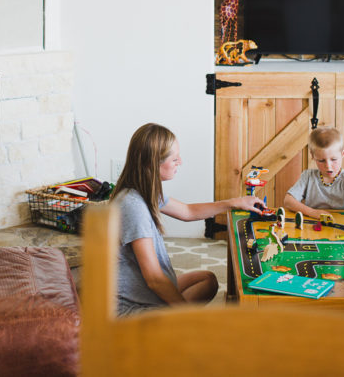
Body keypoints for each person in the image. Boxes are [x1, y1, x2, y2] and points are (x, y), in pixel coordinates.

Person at [111, 122, 264, 316]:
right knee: (189, 314)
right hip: (132, 308)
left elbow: (188, 211)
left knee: (207, 280)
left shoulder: (144, 189)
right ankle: (178, 321)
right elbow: (154, 279)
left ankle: (174, 317)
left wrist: (236, 202)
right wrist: (188, 316)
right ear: (151, 163)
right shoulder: (133, 206)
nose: (180, 162)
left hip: (146, 293)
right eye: (174, 159)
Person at [283, 126, 344, 226]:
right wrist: (313, 213)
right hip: (314, 227)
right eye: (321, 160)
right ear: (313, 156)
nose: (328, 166)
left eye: (334, 159)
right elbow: (288, 200)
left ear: (342, 154)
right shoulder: (308, 177)